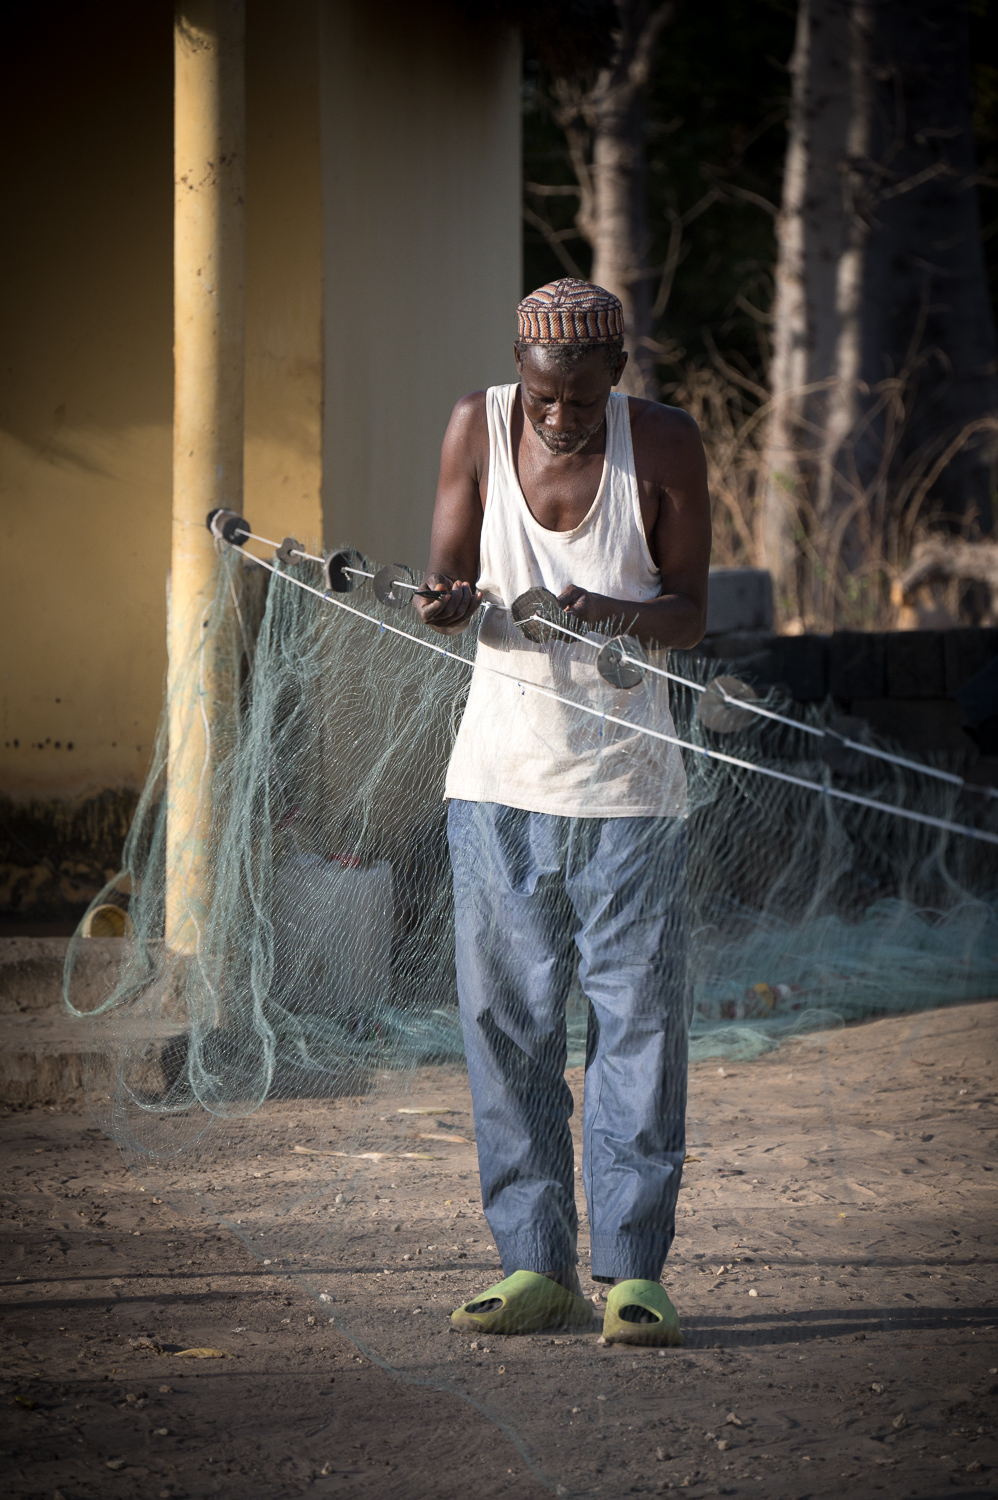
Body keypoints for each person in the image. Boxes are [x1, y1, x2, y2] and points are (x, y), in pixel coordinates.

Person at [413, 278, 711, 1347]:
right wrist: (442, 602)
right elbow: (444, 580)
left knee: (636, 1028)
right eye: (544, 396)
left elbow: (688, 610)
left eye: (581, 400)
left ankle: (631, 1273)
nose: (559, 417)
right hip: (496, 783)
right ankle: (531, 1266)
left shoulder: (664, 444)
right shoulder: (475, 426)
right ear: (518, 372)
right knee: (507, 1028)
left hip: (630, 794)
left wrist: (610, 614)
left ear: (617, 378)